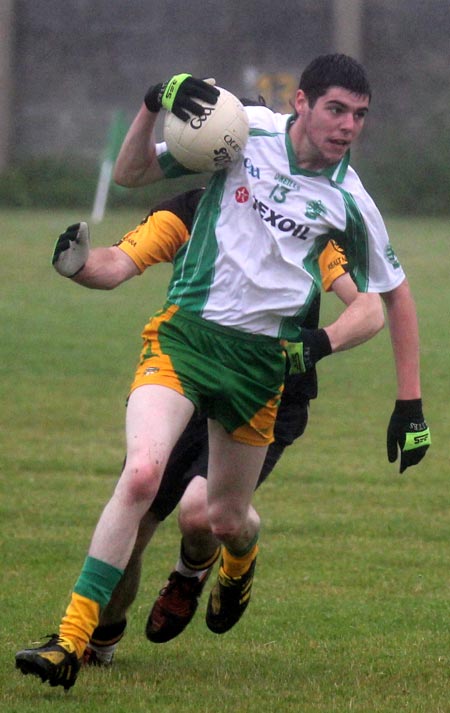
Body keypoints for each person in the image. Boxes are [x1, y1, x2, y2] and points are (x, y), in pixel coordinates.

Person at [15, 54, 430, 692]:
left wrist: (409, 404)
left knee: (222, 517)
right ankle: (70, 640)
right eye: (336, 110)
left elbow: (391, 299)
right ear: (302, 103)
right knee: (143, 474)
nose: (348, 126)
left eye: (360, 116)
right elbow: (132, 175)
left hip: (261, 370)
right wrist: (153, 101)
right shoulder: (240, 130)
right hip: (185, 339)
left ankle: (237, 558)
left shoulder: (348, 201)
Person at [65, 190, 365, 665]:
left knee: (201, 512)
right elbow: (118, 263)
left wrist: (313, 345)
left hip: (267, 388)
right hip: (190, 372)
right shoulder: (189, 207)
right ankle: (101, 639)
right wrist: (78, 265)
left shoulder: (308, 213)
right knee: (138, 516)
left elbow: (366, 307)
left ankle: (203, 565)